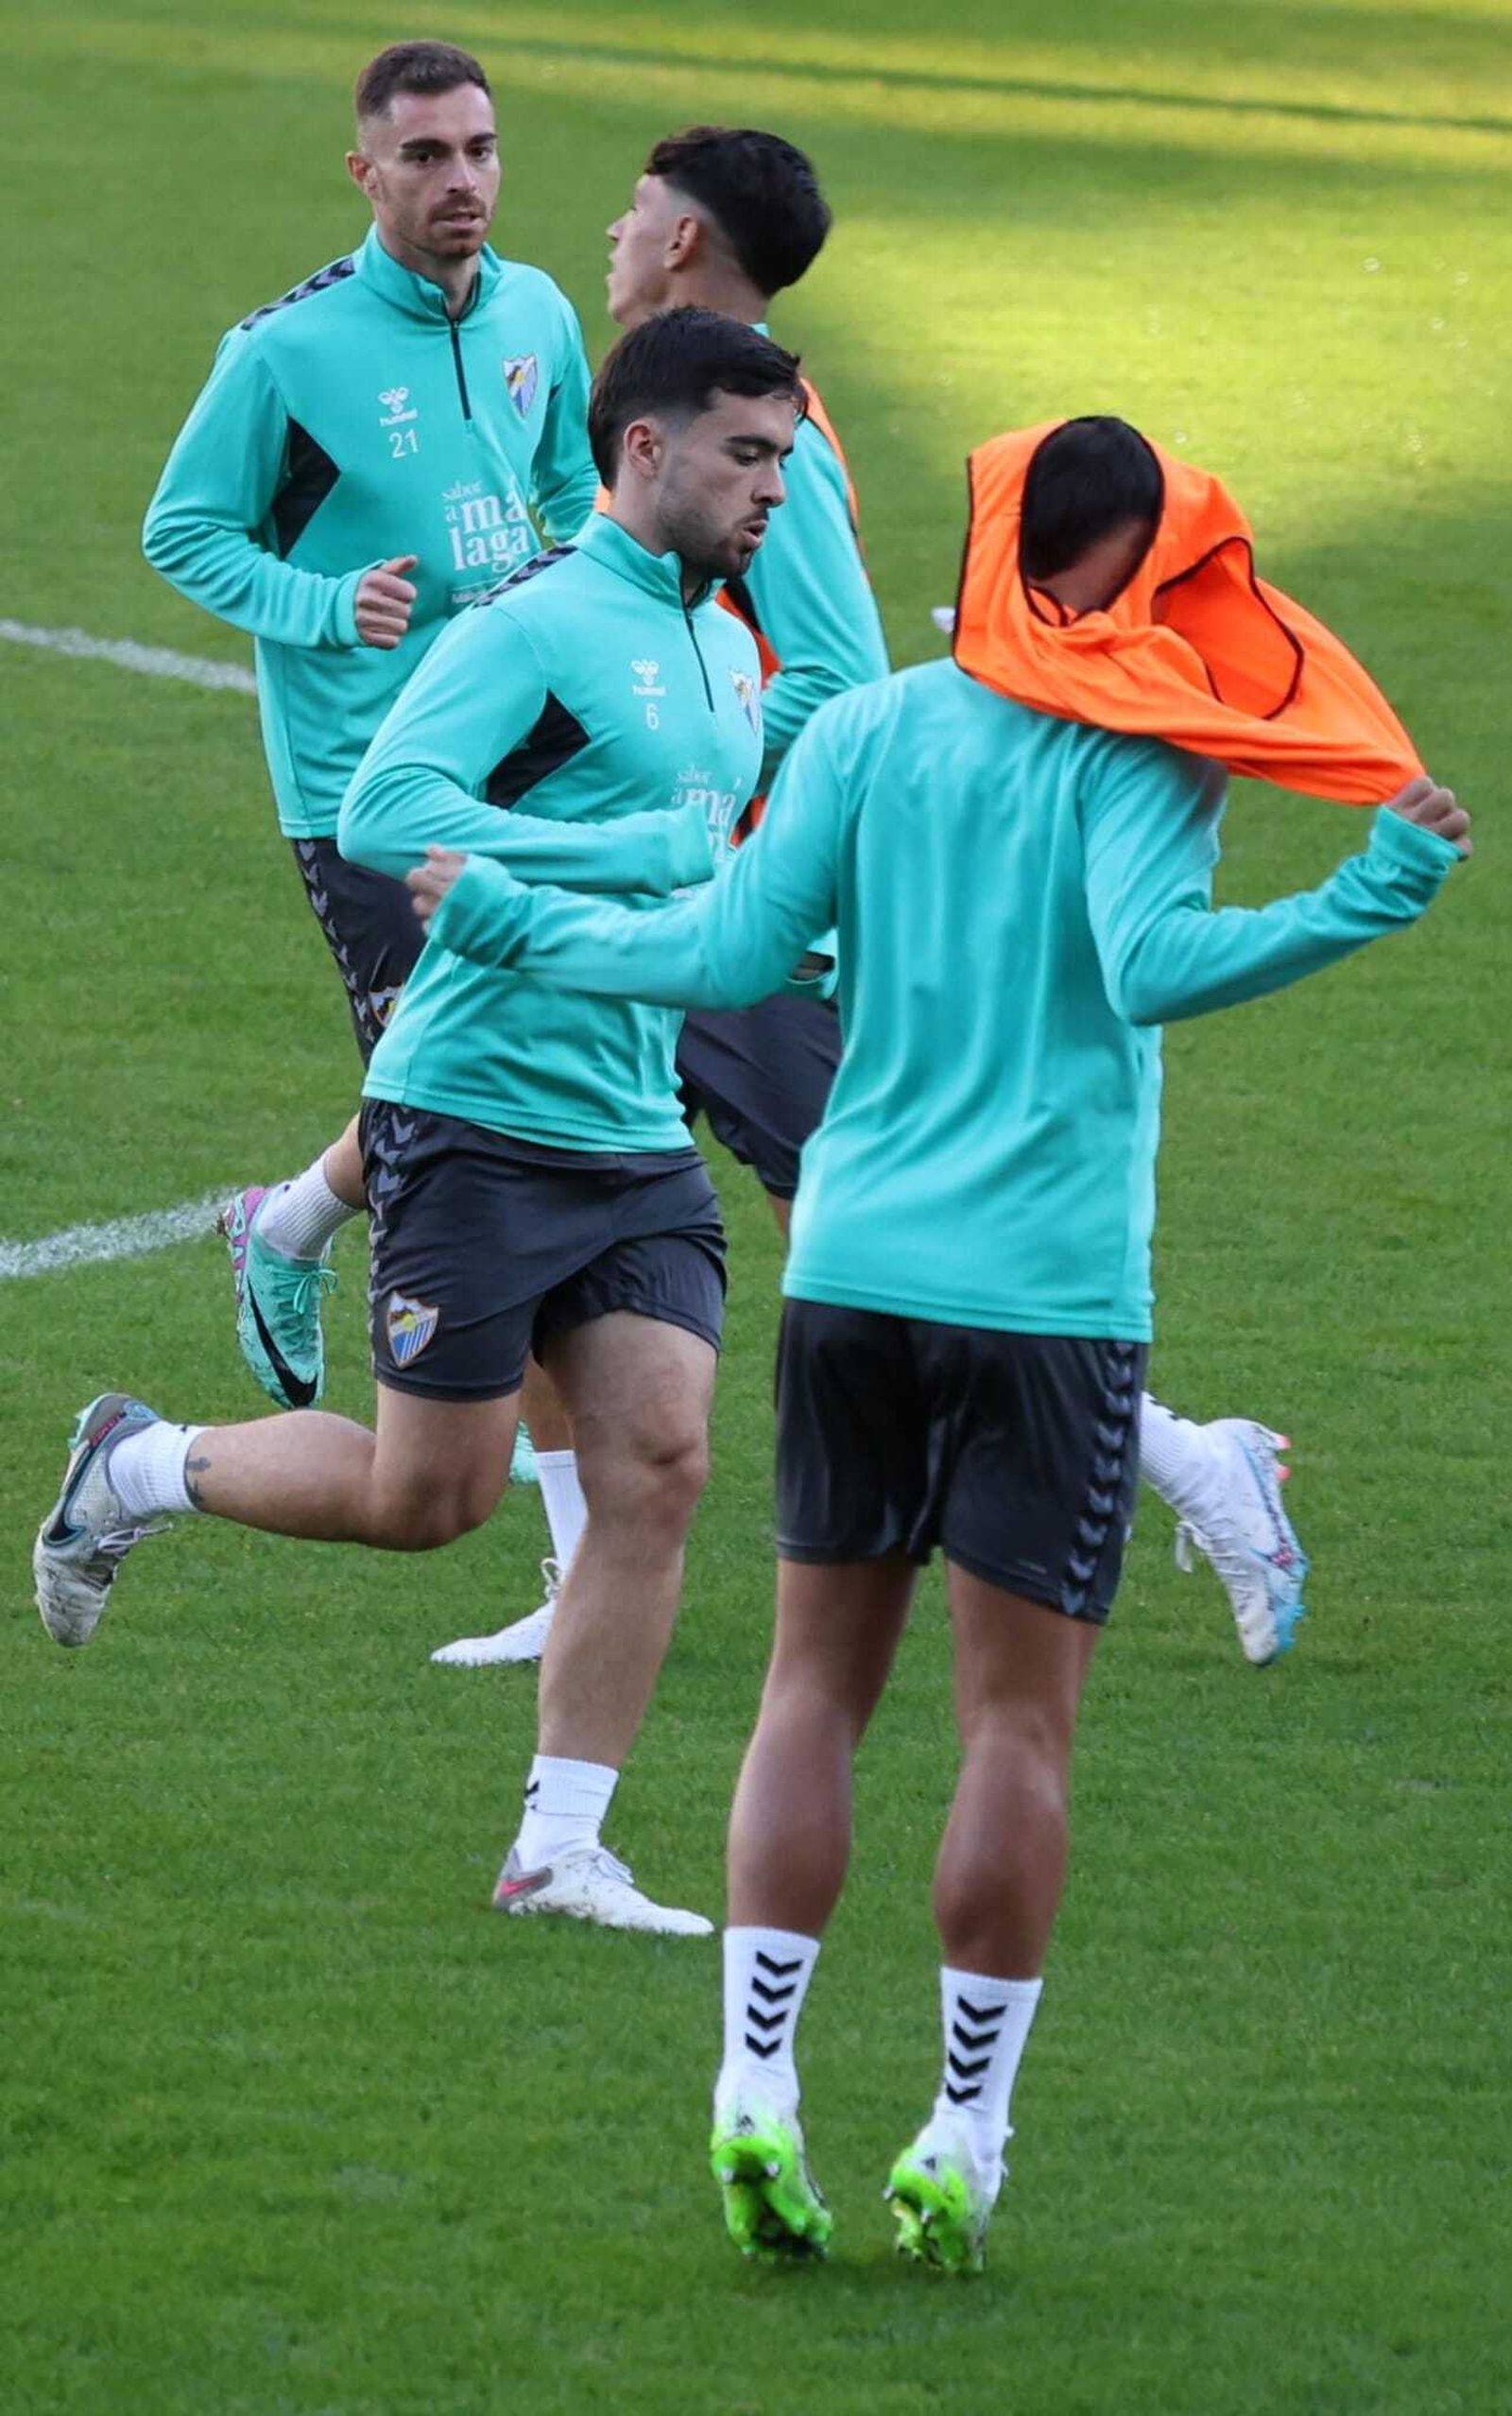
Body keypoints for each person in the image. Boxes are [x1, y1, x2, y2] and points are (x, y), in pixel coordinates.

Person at [401, 416, 1469, 2268]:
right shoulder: (1141, 750)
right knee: (1012, 1728)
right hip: (1046, 1298)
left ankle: (752, 2087)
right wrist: (1365, 893)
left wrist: (507, 916)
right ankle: (959, 2135)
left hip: (856, 1277)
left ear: (990, 539)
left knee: (810, 1691)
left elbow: (730, 946)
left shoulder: (875, 726)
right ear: (1134, 565)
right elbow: (1143, 969)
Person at [433, 123, 1309, 1677]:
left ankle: (1192, 1459)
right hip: (695, 881)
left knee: (848, 1219)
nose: (611, 239)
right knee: (531, 1133)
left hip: (757, 904)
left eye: (634, 214)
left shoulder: (774, 442)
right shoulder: (678, 407)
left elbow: (836, 670)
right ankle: (573, 1575)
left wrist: (674, 775)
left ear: (687, 241)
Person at [35, 308, 808, 1939]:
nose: (775, 492)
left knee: (660, 1461)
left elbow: (709, 857)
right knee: (428, 1502)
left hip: (631, 1128)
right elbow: (390, 808)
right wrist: (629, 865)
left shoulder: (731, 641)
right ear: (645, 450)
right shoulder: (531, 625)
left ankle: (559, 1847)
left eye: (788, 461)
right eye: (749, 457)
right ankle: (137, 1464)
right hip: (472, 1112)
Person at [142, 40, 597, 1495]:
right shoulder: (286, 353)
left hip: (526, 764)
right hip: (366, 790)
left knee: (515, 1074)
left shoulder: (534, 310)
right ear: (365, 172)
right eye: (424, 157)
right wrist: (327, 608)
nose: (459, 180)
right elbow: (186, 530)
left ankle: (288, 1224)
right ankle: (550, 1476)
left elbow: (578, 489)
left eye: (479, 150)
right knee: (470, 1101)